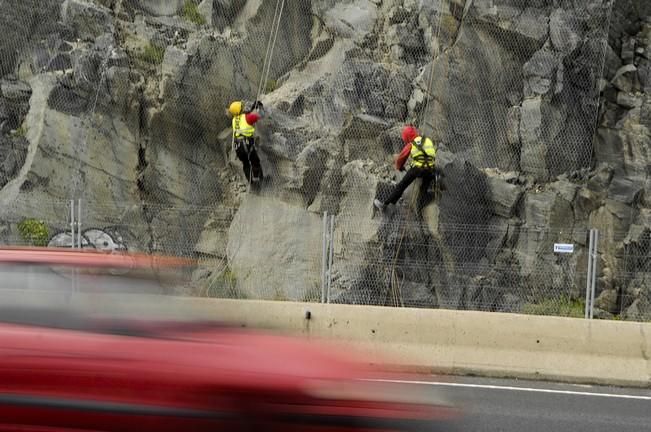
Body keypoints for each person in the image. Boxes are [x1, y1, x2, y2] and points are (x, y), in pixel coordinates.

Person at [374, 125, 438, 212]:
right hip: (431, 170)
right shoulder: (427, 140)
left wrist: (399, 167)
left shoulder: (412, 143)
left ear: (408, 137)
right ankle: (419, 208)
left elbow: (401, 159)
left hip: (418, 169)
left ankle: (385, 205)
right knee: (423, 188)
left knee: (402, 185)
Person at [228, 99, 264, 183]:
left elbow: (245, 118)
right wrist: (258, 108)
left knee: (246, 164)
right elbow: (258, 116)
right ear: (240, 110)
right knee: (255, 161)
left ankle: (251, 182)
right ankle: (258, 179)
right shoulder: (247, 118)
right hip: (246, 145)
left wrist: (252, 110)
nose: (243, 107)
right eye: (242, 107)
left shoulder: (234, 120)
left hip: (238, 147)